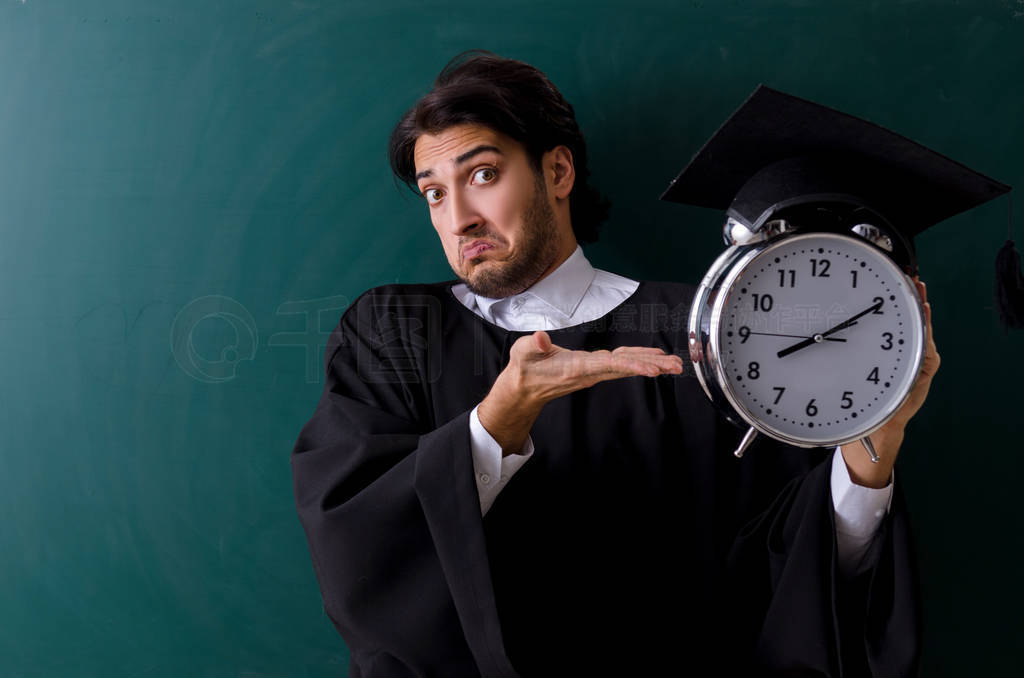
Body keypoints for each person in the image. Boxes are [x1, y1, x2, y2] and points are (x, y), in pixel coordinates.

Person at [291, 51, 943, 676]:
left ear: (557, 172)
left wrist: (869, 455)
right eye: (434, 193)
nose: (459, 218)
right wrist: (497, 422)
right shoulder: (391, 334)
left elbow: (794, 570)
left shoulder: (710, 338)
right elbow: (360, 554)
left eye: (482, 175)